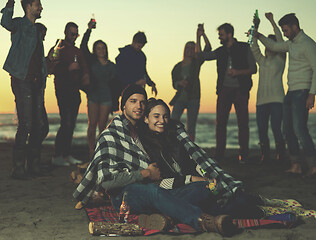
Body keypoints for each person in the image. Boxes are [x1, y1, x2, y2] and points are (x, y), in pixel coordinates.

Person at [74, 84, 251, 236]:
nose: (139, 106)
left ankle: (167, 216)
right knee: (152, 190)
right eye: (133, 101)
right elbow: (107, 182)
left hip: (157, 193)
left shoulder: (140, 134)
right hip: (125, 196)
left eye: (142, 102)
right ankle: (204, 221)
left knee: (203, 188)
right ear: (123, 106)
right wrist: (145, 173)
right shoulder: (111, 135)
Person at [257, 13, 316, 176]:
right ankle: (295, 165)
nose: (284, 34)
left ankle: (313, 165)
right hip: (290, 92)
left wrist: (312, 94)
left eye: (286, 30)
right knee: (287, 130)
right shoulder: (291, 44)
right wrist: (259, 35)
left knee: (299, 129)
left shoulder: (308, 44)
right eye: (282, 31)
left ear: (295, 27)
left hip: (302, 91)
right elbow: (275, 46)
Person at [1, 0, 49, 179]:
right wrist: (10, 4)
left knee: (39, 125)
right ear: (28, 6)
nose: (41, 8)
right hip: (22, 80)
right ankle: (18, 167)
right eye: (38, 5)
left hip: (37, 82)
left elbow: (37, 58)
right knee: (26, 124)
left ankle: (33, 165)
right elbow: (5, 22)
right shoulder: (19, 24)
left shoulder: (37, 30)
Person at [201, 23, 257, 163]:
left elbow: (253, 69)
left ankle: (243, 156)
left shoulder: (244, 47)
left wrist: (237, 72)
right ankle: (219, 155)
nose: (219, 37)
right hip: (224, 90)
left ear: (229, 34)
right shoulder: (220, 51)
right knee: (220, 123)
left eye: (221, 34)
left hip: (241, 90)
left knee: (243, 123)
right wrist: (201, 34)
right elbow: (204, 56)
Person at [47, 22, 90, 166]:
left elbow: (84, 68)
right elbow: (50, 66)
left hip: (74, 91)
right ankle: (57, 156)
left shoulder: (78, 51)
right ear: (65, 32)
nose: (74, 36)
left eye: (76, 34)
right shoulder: (59, 47)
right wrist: (68, 68)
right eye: (72, 33)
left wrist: (85, 76)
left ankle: (66, 154)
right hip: (62, 89)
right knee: (65, 123)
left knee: (71, 124)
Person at [80, 19, 120, 159]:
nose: (101, 50)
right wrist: (89, 29)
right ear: (94, 51)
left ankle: (100, 152)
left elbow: (116, 86)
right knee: (92, 125)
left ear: (106, 50)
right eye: (98, 48)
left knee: (102, 127)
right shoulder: (91, 62)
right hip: (93, 96)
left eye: (103, 48)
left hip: (106, 97)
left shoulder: (112, 66)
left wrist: (116, 102)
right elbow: (83, 46)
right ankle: (91, 151)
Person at [251, 13, 286, 163]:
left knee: (277, 129)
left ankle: (281, 155)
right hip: (261, 101)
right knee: (262, 130)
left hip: (277, 100)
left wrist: (272, 20)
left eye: (269, 45)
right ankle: (265, 155)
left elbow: (280, 40)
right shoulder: (261, 60)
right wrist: (256, 26)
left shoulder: (281, 58)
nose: (267, 47)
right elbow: (252, 45)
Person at [170, 24, 211, 141]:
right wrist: (179, 83)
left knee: (191, 126)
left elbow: (208, 47)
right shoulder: (177, 67)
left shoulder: (196, 62)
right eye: (187, 47)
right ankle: (173, 144)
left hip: (193, 97)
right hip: (179, 98)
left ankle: (190, 148)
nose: (189, 49)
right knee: (173, 123)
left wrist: (200, 35)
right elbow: (174, 84)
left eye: (192, 48)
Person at [115, 31, 157, 96]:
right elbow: (120, 74)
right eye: (139, 46)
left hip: (138, 89)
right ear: (133, 42)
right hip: (125, 89)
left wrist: (151, 84)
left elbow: (144, 71)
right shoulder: (123, 55)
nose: (140, 48)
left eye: (142, 47)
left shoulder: (142, 56)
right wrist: (135, 82)